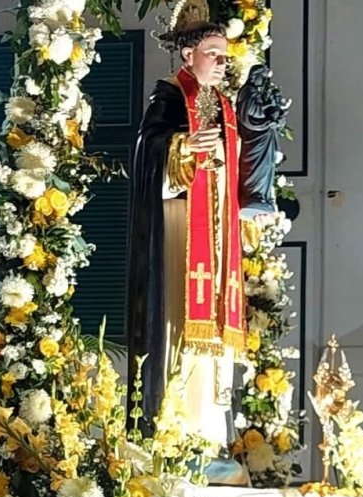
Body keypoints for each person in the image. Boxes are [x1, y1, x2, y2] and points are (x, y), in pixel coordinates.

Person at [128, 0, 247, 456]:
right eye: (212, 53)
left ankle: (209, 434)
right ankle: (175, 428)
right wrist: (182, 148)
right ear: (188, 55)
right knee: (178, 321)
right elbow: (147, 151)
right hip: (181, 229)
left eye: (224, 56)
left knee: (215, 332)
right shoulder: (169, 97)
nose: (221, 62)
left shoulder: (225, 107)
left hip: (219, 234)